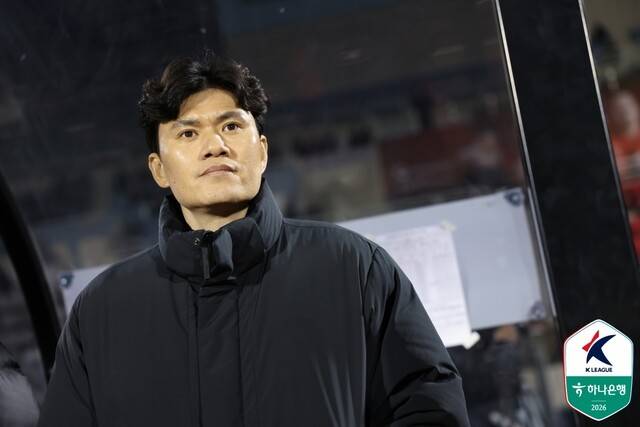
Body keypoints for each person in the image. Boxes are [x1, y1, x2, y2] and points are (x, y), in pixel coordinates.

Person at [37, 50, 470, 426]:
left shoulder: (353, 268)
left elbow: (428, 406)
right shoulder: (101, 312)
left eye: (230, 126)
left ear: (261, 151)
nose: (215, 146)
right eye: (188, 133)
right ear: (159, 169)